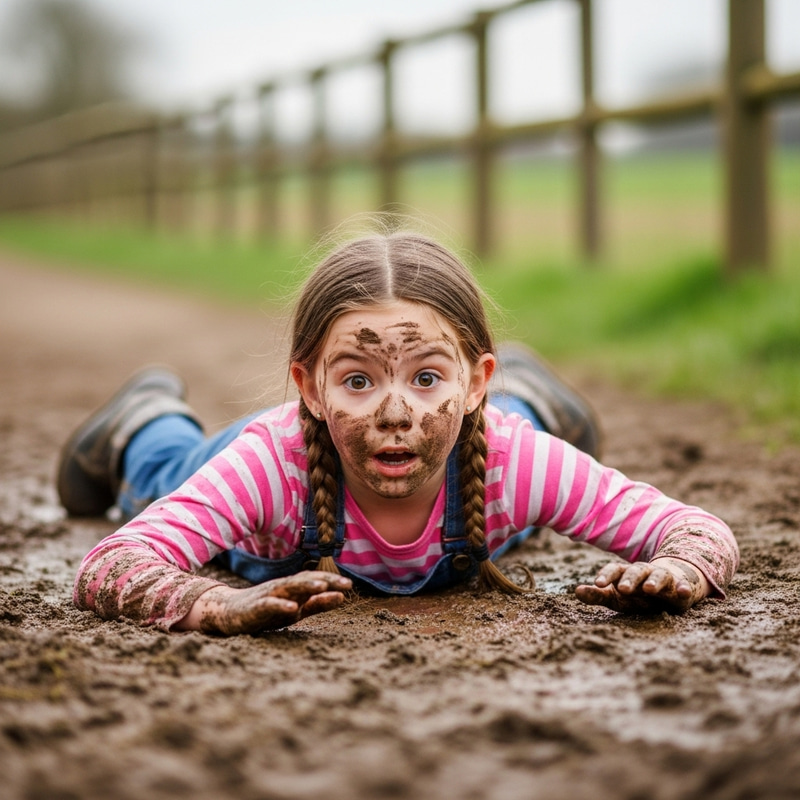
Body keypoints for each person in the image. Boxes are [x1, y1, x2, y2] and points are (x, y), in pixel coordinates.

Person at [60, 231, 738, 636]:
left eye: (426, 377)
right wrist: (215, 605)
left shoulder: (517, 462)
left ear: (475, 380)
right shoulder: (268, 467)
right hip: (261, 454)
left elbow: (698, 531)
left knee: (505, 450)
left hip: (488, 442)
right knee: (165, 472)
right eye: (357, 380)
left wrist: (675, 571)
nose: (394, 413)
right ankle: (145, 415)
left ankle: (527, 396)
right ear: (310, 387)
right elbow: (111, 563)